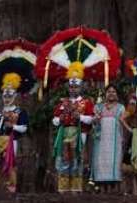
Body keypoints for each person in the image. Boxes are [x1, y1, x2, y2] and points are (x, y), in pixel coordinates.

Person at [53, 63, 94, 193]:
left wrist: (80, 117)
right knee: (64, 159)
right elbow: (54, 120)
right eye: (71, 86)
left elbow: (91, 119)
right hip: (64, 133)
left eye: (76, 86)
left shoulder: (86, 103)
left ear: (81, 87)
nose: (73, 89)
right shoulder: (63, 102)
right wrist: (59, 119)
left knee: (77, 160)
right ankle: (63, 188)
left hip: (79, 132)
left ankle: (76, 189)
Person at [0, 73, 29, 193]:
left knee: (10, 165)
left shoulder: (19, 112)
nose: (7, 99)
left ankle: (10, 189)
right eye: (5, 96)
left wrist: (13, 126)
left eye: (9, 96)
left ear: (14, 96)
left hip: (11, 141)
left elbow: (24, 128)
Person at [91, 84, 126, 191]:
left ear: (117, 95)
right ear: (105, 94)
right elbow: (94, 123)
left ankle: (113, 188)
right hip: (101, 138)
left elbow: (123, 123)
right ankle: (101, 188)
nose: (111, 93)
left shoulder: (121, 107)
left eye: (113, 92)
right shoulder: (98, 107)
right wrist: (96, 119)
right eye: (109, 91)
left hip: (115, 138)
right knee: (101, 160)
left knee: (114, 160)